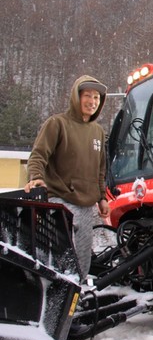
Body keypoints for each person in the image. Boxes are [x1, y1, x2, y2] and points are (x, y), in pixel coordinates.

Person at [24, 75, 110, 281]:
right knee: (61, 258)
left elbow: (99, 170)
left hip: (86, 205)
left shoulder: (97, 131)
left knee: (81, 260)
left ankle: (75, 300)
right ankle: (51, 296)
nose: (92, 101)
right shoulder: (57, 123)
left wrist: (101, 197)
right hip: (60, 199)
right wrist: (36, 177)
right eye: (87, 95)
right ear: (76, 97)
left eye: (97, 97)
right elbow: (38, 155)